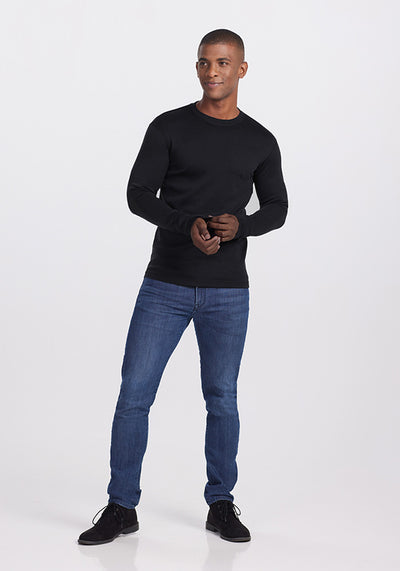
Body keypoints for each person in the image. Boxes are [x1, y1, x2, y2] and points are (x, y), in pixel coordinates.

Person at [78, 28, 288, 545]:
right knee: (134, 395)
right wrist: (183, 223)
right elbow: (137, 194)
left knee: (222, 398)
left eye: (222, 62)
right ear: (196, 67)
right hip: (164, 285)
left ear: (242, 69)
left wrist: (241, 225)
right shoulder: (169, 126)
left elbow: (278, 207)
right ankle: (121, 507)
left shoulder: (260, 140)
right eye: (204, 62)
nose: (212, 71)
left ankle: (221, 504)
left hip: (228, 291)